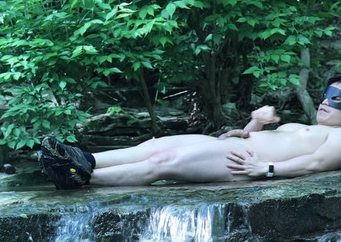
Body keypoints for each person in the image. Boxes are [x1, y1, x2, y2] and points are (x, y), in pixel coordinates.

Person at [39, 74, 341, 188]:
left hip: (242, 164)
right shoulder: (302, 126)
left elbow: (316, 164)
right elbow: (250, 135)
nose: (326, 102)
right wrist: (256, 124)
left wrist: (267, 169)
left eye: (338, 99)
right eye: (328, 93)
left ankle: (80, 178)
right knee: (154, 145)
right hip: (232, 148)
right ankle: (82, 158)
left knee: (164, 163)